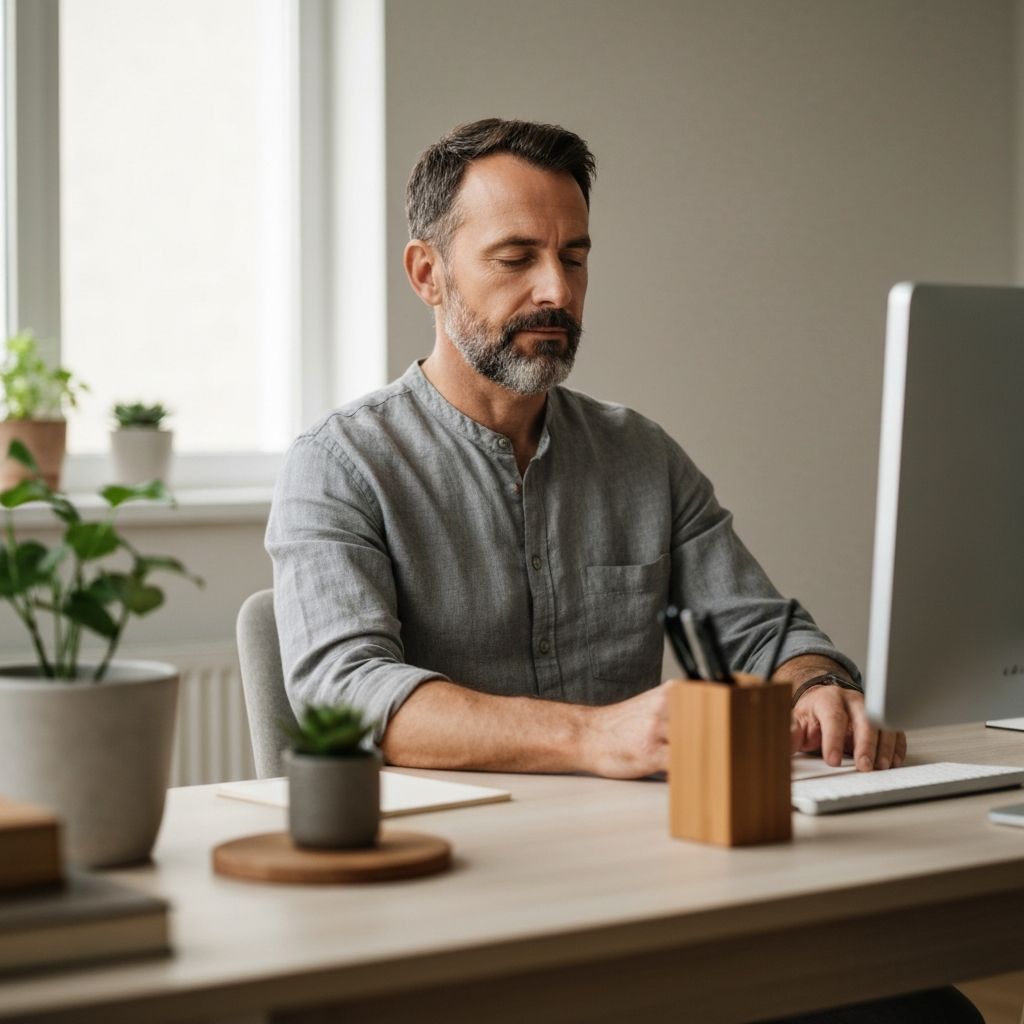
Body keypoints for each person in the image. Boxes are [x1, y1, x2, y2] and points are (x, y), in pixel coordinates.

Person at [267, 117, 981, 1024]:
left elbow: (765, 630)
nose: (555, 290)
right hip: (447, 909)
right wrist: (594, 737)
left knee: (925, 1012)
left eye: (575, 256)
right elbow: (350, 692)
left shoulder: (640, 454)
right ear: (427, 273)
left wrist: (815, 683)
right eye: (516, 257)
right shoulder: (338, 464)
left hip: (651, 887)